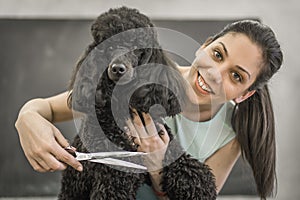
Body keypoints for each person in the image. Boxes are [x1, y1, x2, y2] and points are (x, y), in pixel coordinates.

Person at [15, 19, 283, 200]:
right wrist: (27, 117)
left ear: (245, 93)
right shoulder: (143, 77)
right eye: (217, 54)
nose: (215, 74)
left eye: (236, 76)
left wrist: (158, 167)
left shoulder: (231, 133)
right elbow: (47, 108)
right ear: (204, 46)